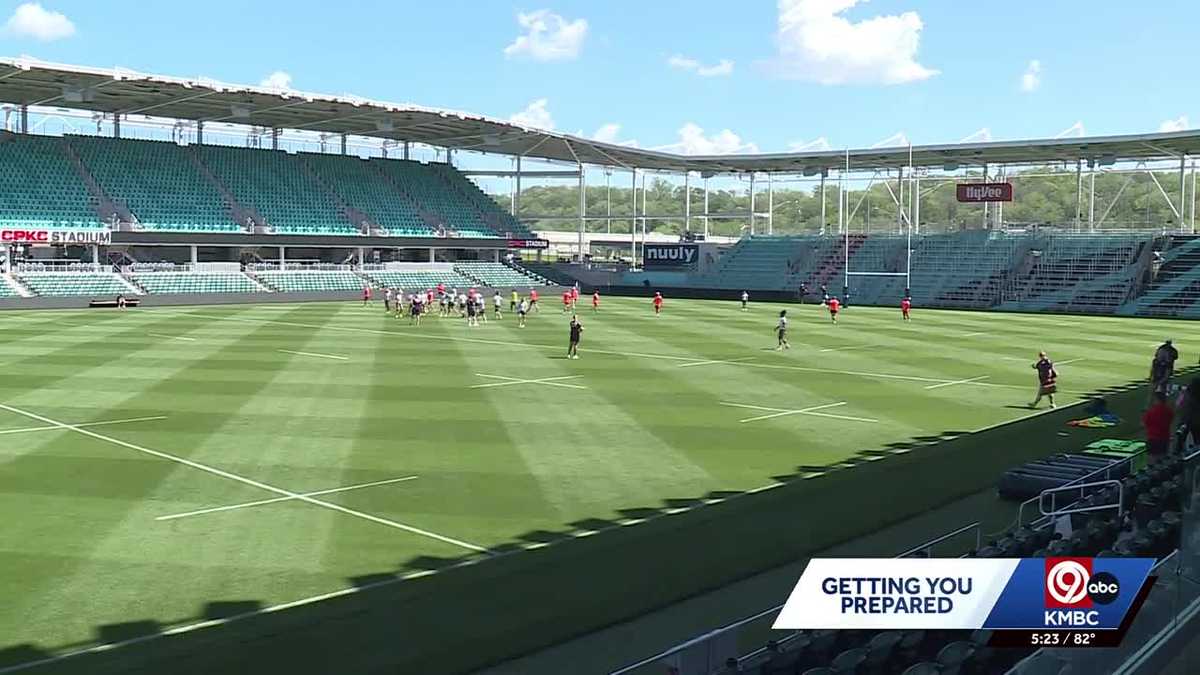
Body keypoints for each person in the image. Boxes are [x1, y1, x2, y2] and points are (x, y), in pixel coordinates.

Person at [1143, 391, 1174, 464]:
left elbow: (1144, 423)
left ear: (1157, 399)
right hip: (1164, 438)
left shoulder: (1151, 411)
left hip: (1153, 439)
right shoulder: (1169, 411)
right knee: (1163, 461)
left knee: (1151, 462)